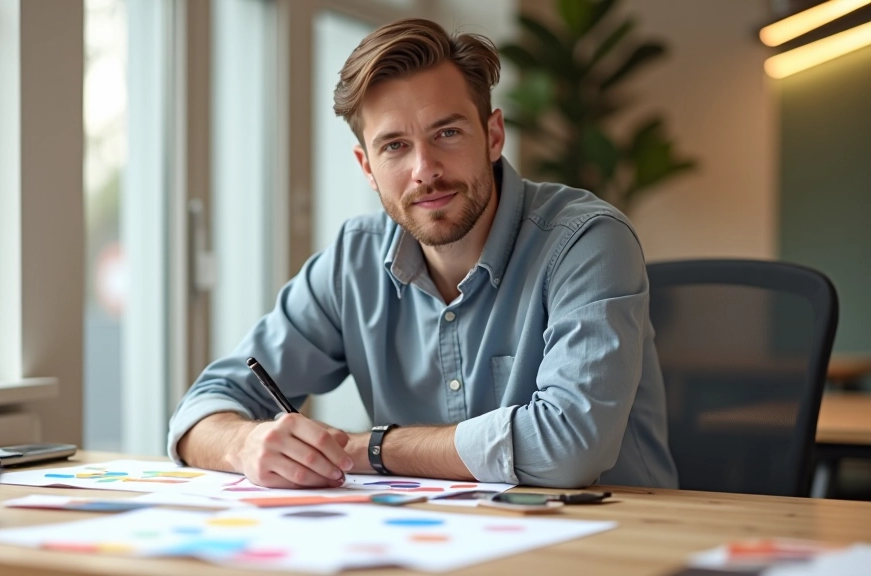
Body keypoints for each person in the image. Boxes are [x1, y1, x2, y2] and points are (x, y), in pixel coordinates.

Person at [168, 18, 678, 490]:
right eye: (394, 146)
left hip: (613, 538)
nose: (424, 169)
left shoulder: (586, 241)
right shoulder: (355, 261)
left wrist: (363, 448)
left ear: (493, 135)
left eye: (447, 133)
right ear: (367, 167)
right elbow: (200, 410)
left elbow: (569, 447)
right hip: (435, 543)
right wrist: (245, 443)